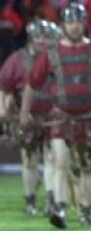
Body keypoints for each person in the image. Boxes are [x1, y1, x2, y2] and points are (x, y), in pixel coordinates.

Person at [22, 2, 91, 229]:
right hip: (61, 117)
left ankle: (85, 212)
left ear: (84, 23)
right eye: (70, 21)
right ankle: (59, 208)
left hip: (89, 117)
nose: (75, 26)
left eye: (78, 21)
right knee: (61, 162)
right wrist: (24, 113)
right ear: (64, 24)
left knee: (88, 167)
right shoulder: (52, 53)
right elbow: (31, 83)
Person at [0, 18, 56, 217]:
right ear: (32, 36)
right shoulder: (17, 59)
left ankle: (51, 201)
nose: (43, 40)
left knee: (53, 159)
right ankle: (31, 202)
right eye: (40, 36)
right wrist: (3, 109)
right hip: (26, 117)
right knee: (29, 160)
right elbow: (4, 86)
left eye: (47, 37)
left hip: (52, 116)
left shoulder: (56, 58)